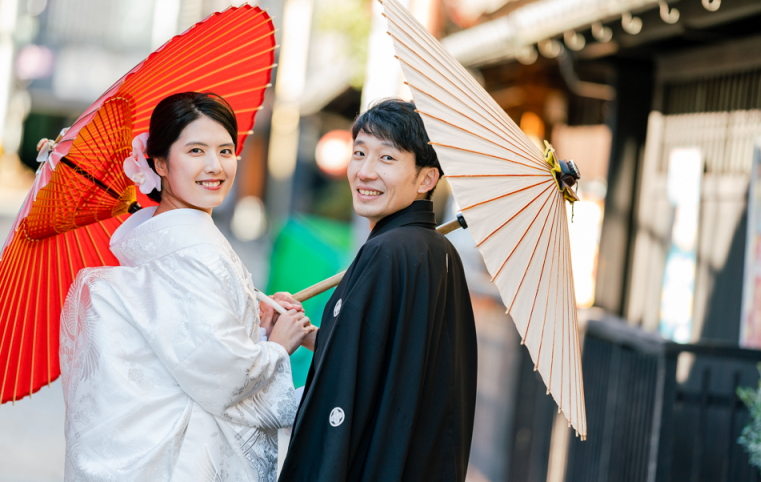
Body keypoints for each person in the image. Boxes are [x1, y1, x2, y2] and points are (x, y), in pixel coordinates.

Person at [59, 92, 315, 482]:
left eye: (226, 150)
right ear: (159, 162)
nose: (215, 166)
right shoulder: (196, 253)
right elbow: (224, 377)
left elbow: (194, 351)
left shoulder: (167, 244)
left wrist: (255, 326)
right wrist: (278, 345)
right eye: (196, 150)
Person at [279, 99, 478, 481]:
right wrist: (304, 333)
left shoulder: (388, 251)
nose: (365, 172)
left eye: (387, 159)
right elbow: (380, 358)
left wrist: (279, 343)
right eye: (359, 153)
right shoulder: (436, 250)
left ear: (426, 179)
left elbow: (347, 385)